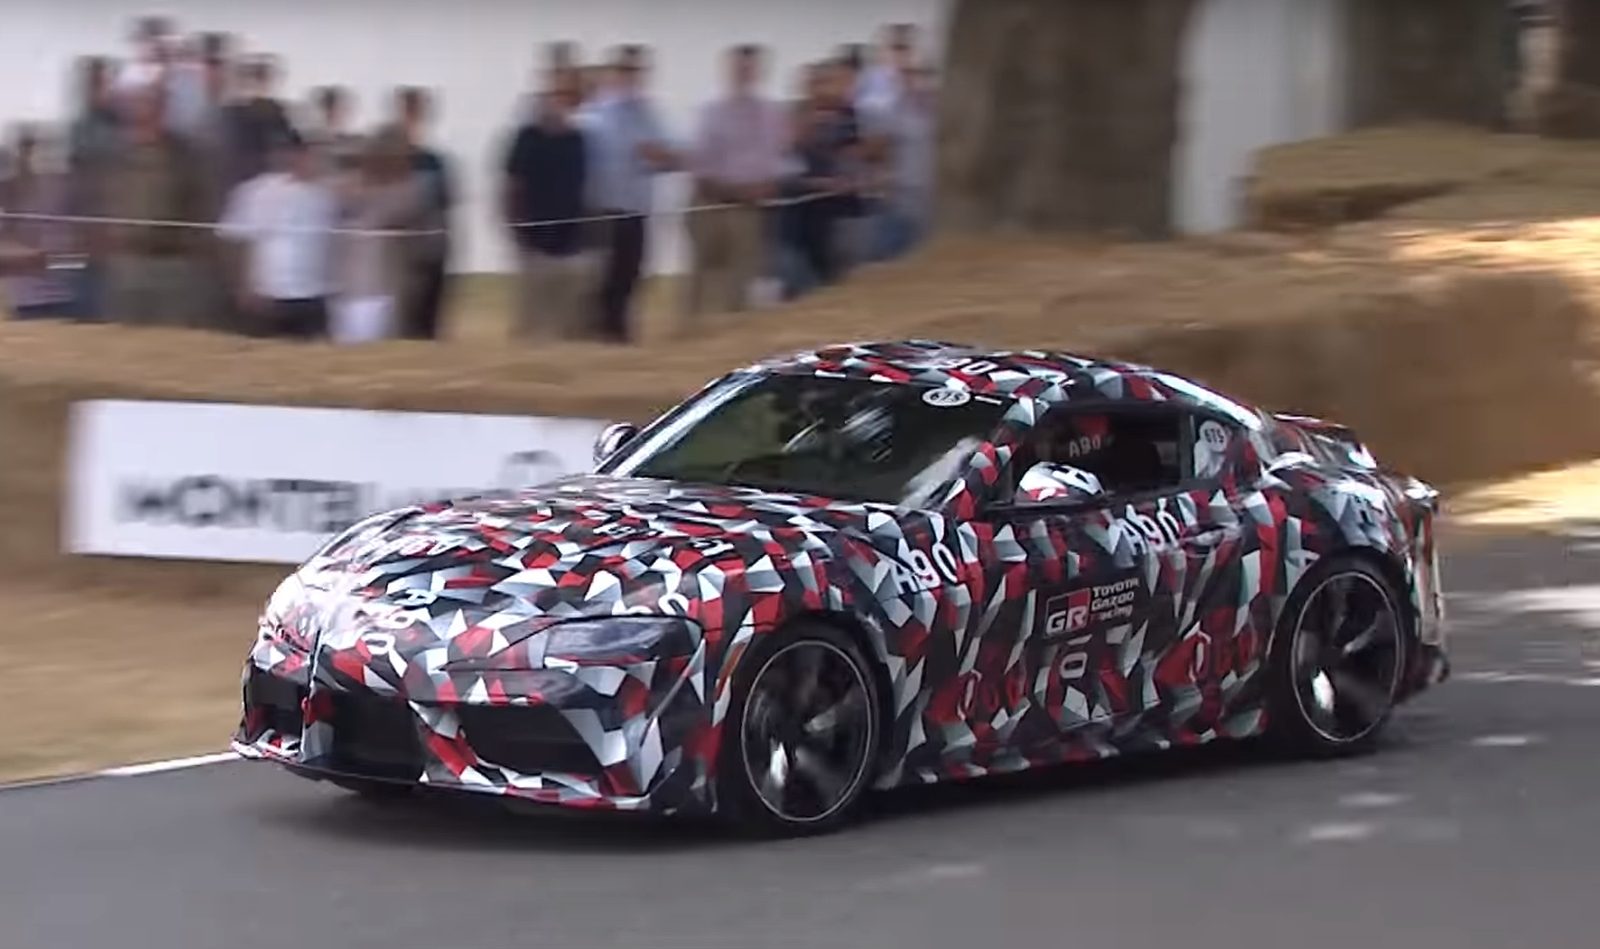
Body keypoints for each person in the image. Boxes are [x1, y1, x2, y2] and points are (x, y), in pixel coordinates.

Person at [579, 43, 679, 342]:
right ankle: (598, 335)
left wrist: (660, 156)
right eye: (625, 70)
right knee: (601, 278)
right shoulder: (593, 114)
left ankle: (619, 335)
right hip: (601, 210)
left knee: (631, 274)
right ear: (612, 73)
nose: (631, 76)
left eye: (636, 70)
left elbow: (675, 156)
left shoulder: (650, 114)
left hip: (637, 208)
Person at [686, 44, 788, 322]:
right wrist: (734, 191)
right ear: (728, 70)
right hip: (711, 205)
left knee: (742, 274)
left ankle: (732, 330)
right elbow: (700, 167)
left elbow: (777, 157)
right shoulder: (711, 111)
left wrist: (767, 186)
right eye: (740, 67)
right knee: (701, 273)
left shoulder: (772, 113)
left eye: (751, 67)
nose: (745, 73)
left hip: (751, 208)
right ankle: (692, 329)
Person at [100, 86, 207, 326]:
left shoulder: (184, 152)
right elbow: (103, 200)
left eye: (154, 104)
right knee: (123, 333)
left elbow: (198, 201)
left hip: (171, 262)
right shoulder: (116, 153)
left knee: (170, 334)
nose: (146, 110)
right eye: (141, 104)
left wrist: (190, 245)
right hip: (127, 262)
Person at [216, 133, 337, 339]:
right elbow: (233, 239)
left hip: (315, 295)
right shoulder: (255, 191)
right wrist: (242, 287)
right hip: (267, 295)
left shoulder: (328, 193)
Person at [501, 72, 593, 341]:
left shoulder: (577, 140)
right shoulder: (527, 137)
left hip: (571, 237)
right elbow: (512, 185)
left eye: (569, 98)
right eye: (557, 96)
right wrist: (516, 228)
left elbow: (582, 186)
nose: (562, 103)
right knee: (533, 314)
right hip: (533, 237)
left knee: (569, 315)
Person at [329, 126, 429, 344]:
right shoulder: (342, 189)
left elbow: (404, 211)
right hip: (344, 290)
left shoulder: (403, 192)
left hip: (379, 292)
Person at [0, 124, 88, 320]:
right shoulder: (8, 192)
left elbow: (79, 243)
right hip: (25, 301)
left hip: (68, 295)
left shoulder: (61, 188)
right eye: (24, 151)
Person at [393, 86, 453, 340]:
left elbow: (445, 205)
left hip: (430, 249)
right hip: (400, 254)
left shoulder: (434, 162)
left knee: (428, 322)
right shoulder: (388, 162)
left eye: (417, 112)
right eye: (408, 112)